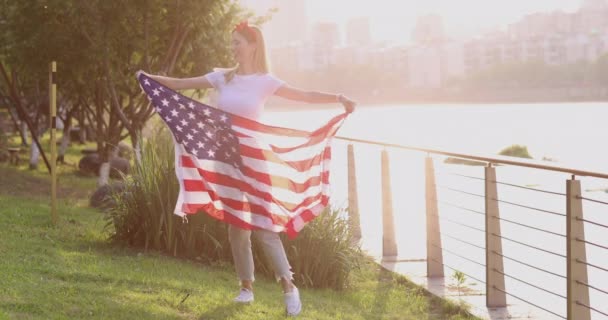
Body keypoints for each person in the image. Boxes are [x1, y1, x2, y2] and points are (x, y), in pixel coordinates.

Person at [140, 21, 356, 317]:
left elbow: (303, 95)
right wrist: (147, 78)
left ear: (253, 46)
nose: (233, 47)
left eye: (238, 42)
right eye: (232, 43)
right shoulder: (222, 77)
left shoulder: (265, 81)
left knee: (265, 228)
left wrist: (338, 99)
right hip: (226, 161)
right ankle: (246, 289)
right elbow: (179, 84)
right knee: (236, 228)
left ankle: (289, 288)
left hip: (255, 161)